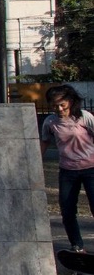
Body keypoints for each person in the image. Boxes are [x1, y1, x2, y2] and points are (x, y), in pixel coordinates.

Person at [40, 85, 94, 253]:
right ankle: (77, 246)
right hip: (67, 172)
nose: (59, 108)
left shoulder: (85, 117)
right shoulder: (50, 122)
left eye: (62, 104)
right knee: (67, 210)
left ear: (70, 102)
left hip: (91, 169)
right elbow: (44, 143)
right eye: (55, 105)